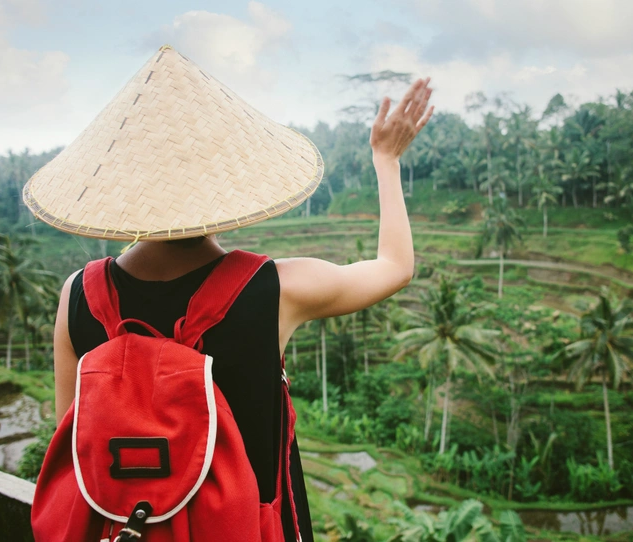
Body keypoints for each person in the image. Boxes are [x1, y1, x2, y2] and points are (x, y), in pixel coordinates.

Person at [38, 47, 432, 542]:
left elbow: (72, 444)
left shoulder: (77, 295)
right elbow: (395, 267)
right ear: (232, 188)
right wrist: (386, 159)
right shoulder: (273, 289)